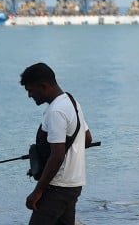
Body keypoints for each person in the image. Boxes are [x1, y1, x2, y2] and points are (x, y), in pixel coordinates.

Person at [19, 63, 93, 225]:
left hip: (57, 188)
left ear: (43, 86)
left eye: (30, 90)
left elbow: (57, 156)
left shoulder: (56, 111)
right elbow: (87, 139)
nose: (30, 95)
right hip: (74, 184)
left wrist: (37, 192)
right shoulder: (71, 102)